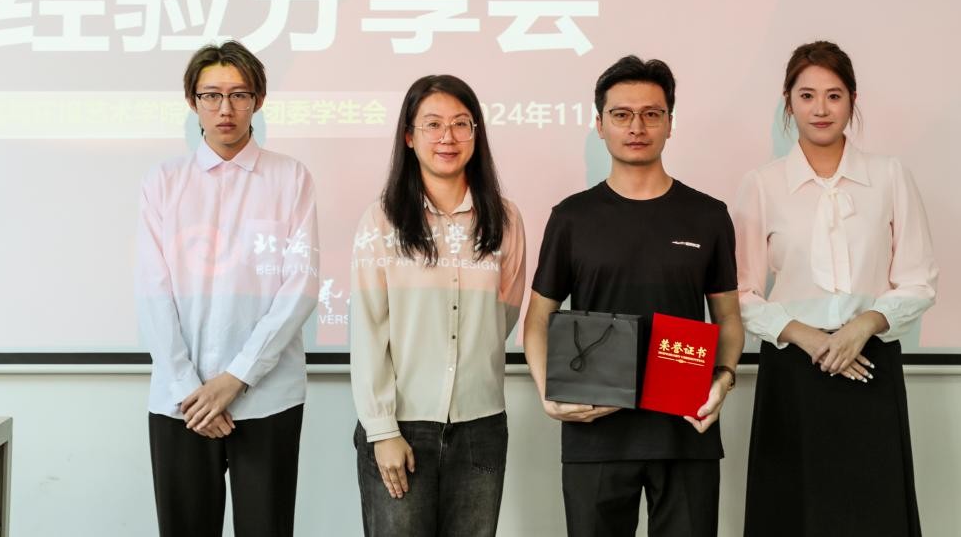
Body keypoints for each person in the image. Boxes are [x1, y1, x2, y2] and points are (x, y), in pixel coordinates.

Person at [523, 55, 743, 537]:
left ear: (670, 124)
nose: (637, 127)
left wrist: (723, 381)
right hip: (594, 433)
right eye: (621, 114)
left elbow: (728, 317)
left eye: (651, 114)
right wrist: (547, 394)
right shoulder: (572, 218)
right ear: (600, 125)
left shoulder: (708, 215)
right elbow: (537, 318)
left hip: (685, 430)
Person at [734, 40, 936, 537]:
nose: (820, 109)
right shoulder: (762, 184)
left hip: (869, 363)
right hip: (793, 368)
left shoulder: (889, 175)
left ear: (853, 100)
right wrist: (807, 337)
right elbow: (738, 292)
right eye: (806, 96)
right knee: (791, 511)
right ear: (788, 103)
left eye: (834, 95)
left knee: (873, 510)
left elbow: (919, 279)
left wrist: (864, 325)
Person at [135, 40, 319, 537]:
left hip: (267, 397)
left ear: (258, 100)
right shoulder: (163, 182)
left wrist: (237, 377)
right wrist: (189, 390)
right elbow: (152, 292)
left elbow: (301, 285)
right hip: (182, 403)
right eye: (211, 95)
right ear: (192, 101)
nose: (225, 108)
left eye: (239, 95)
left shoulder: (291, 178)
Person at [350, 74, 526, 537]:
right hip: (402, 426)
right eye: (432, 124)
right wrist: (382, 430)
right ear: (409, 136)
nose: (447, 137)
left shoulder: (506, 219)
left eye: (460, 123)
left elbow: (504, 313)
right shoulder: (382, 219)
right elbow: (367, 329)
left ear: (476, 133)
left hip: (481, 426)